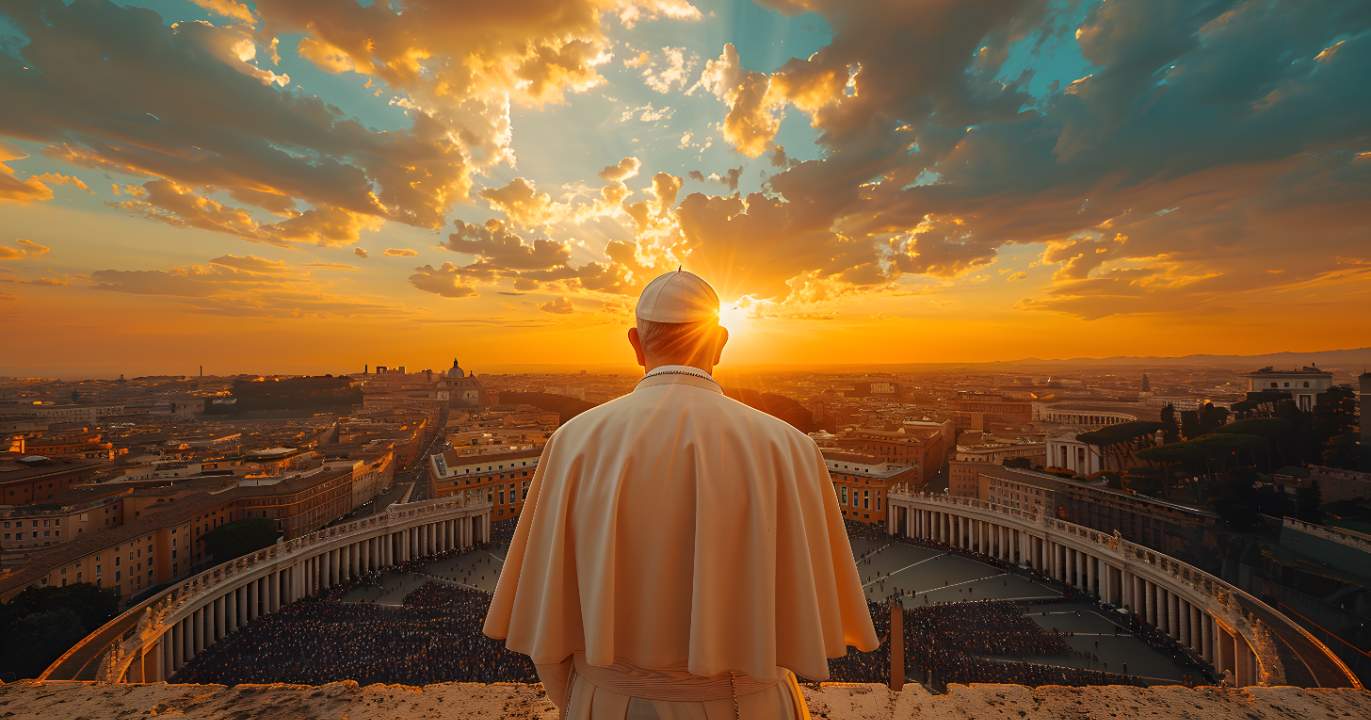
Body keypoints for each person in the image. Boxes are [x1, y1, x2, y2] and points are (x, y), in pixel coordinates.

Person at [485, 269, 878, 719]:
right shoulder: (788, 446)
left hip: (614, 705)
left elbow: (548, 634)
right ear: (721, 342)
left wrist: (591, 699)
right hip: (754, 706)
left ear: (635, 342)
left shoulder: (573, 441)